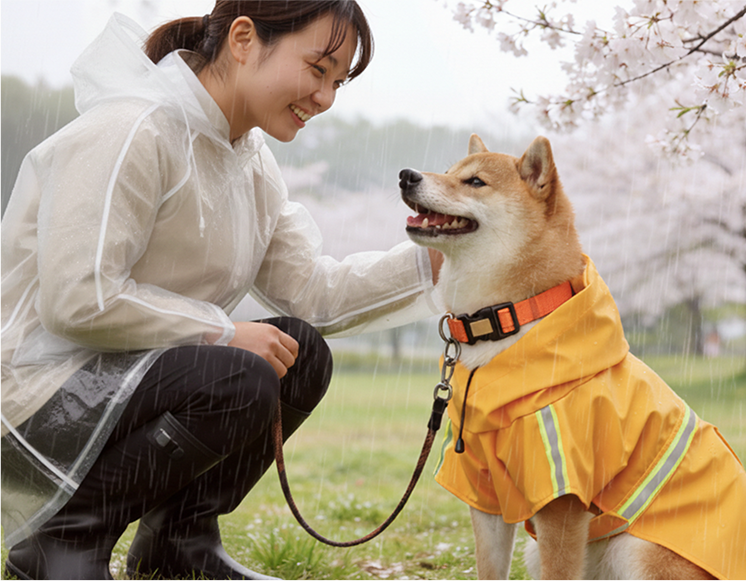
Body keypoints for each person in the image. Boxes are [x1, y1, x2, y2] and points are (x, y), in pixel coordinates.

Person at [0, 2, 442, 580]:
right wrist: (223, 333)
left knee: (299, 353)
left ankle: (178, 542)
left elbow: (313, 291)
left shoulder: (251, 162)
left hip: (125, 389)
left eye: (339, 82)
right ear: (243, 39)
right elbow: (80, 298)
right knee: (242, 370)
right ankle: (63, 541)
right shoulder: (132, 129)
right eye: (318, 68)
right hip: (33, 396)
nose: (327, 98)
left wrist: (437, 260)